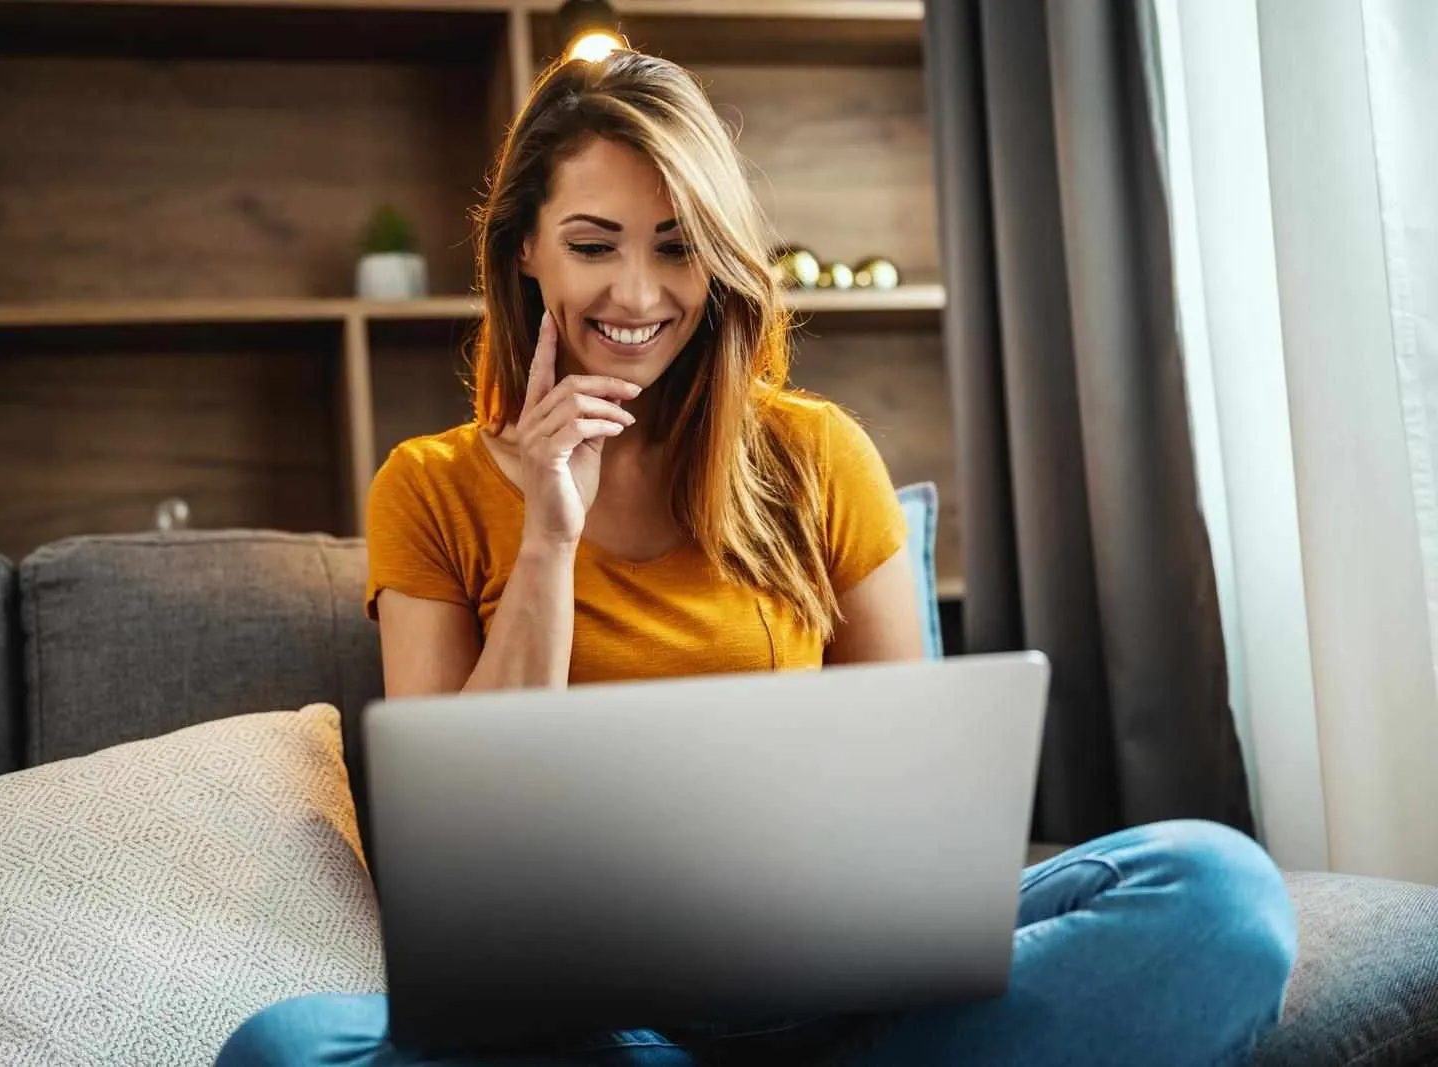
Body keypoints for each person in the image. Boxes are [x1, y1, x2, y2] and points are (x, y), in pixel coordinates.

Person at [216, 51, 1296, 1067]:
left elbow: (915, 810)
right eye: (594, 246)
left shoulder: (817, 453)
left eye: (677, 245)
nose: (637, 296)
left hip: (830, 983)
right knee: (286, 1047)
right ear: (525, 252)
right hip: (586, 1016)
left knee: (1217, 891)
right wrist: (550, 535)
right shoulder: (432, 484)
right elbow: (454, 849)